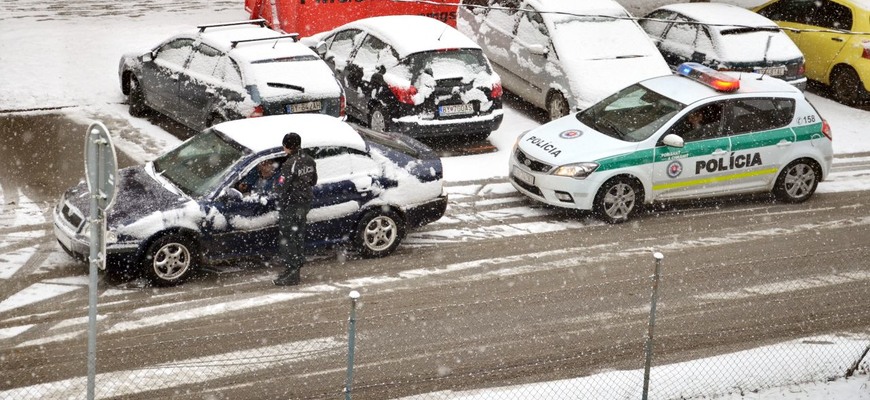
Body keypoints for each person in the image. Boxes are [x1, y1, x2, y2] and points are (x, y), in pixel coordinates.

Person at [272, 132, 318, 286]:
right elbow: (313, 181)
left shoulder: (289, 164)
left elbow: (280, 187)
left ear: (286, 146)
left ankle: (292, 271)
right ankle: (296, 266)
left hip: (292, 205)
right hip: (304, 203)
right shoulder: (309, 160)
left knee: (287, 237)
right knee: (298, 234)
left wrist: (274, 186)